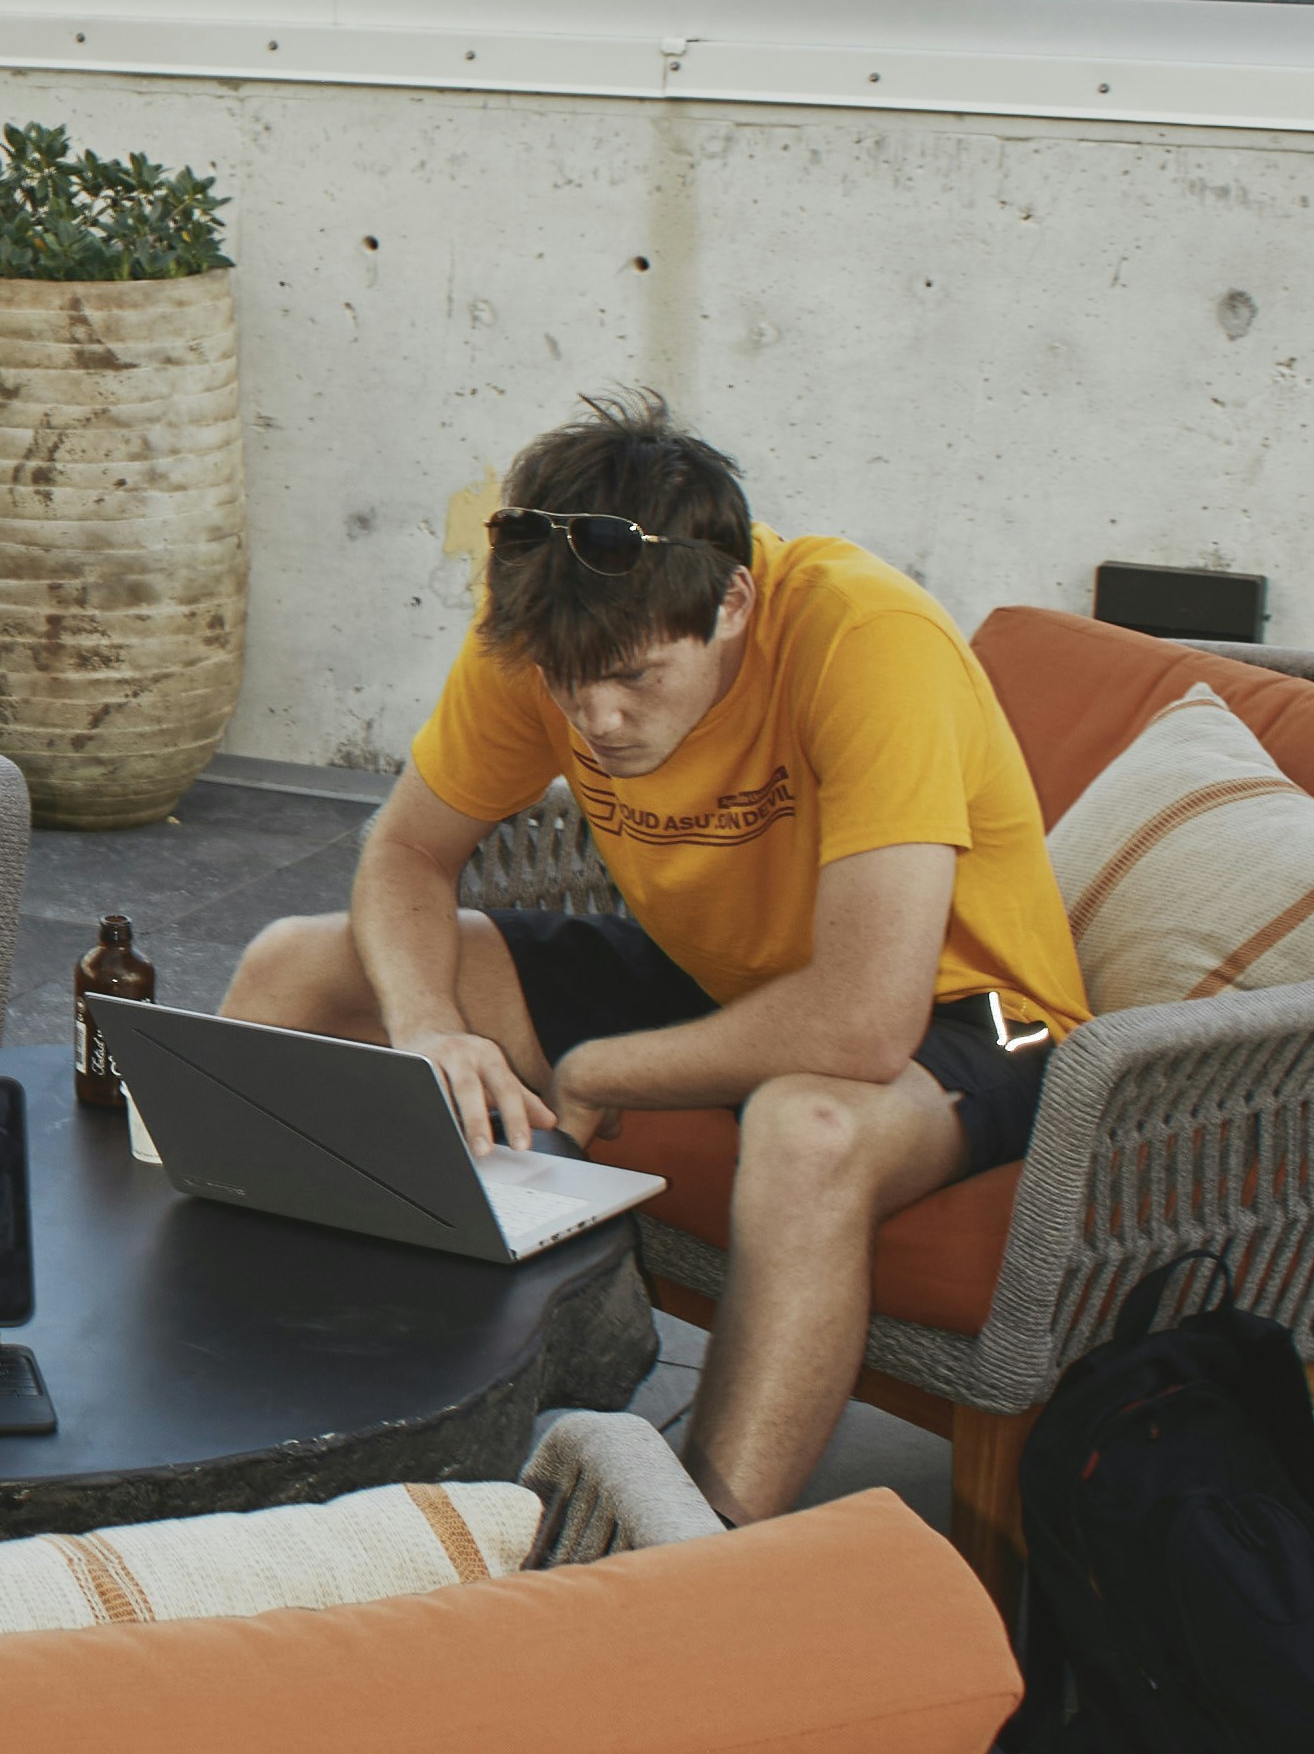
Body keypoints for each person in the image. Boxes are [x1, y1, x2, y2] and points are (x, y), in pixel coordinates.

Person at [220, 396, 1084, 1528]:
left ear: (732, 603)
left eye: (634, 676)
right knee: (294, 965)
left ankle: (696, 1550)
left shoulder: (867, 638)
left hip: (974, 1012)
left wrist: (603, 1069)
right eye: (567, 682)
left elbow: (867, 1019)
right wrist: (430, 1022)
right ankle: (246, 1399)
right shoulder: (553, 623)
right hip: (723, 974)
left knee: (810, 1127)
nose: (599, 717)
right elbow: (407, 852)